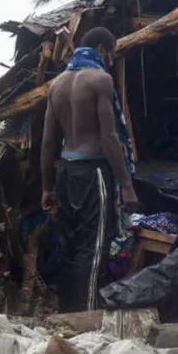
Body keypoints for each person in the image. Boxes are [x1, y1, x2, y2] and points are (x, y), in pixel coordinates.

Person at [41, 26, 139, 312]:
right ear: (101, 50)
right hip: (93, 172)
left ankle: (67, 312)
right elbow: (109, 138)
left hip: (65, 173)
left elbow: (48, 143)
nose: (111, 61)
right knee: (94, 246)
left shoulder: (56, 85)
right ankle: (87, 316)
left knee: (70, 245)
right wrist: (127, 185)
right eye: (111, 55)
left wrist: (47, 187)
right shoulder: (100, 80)